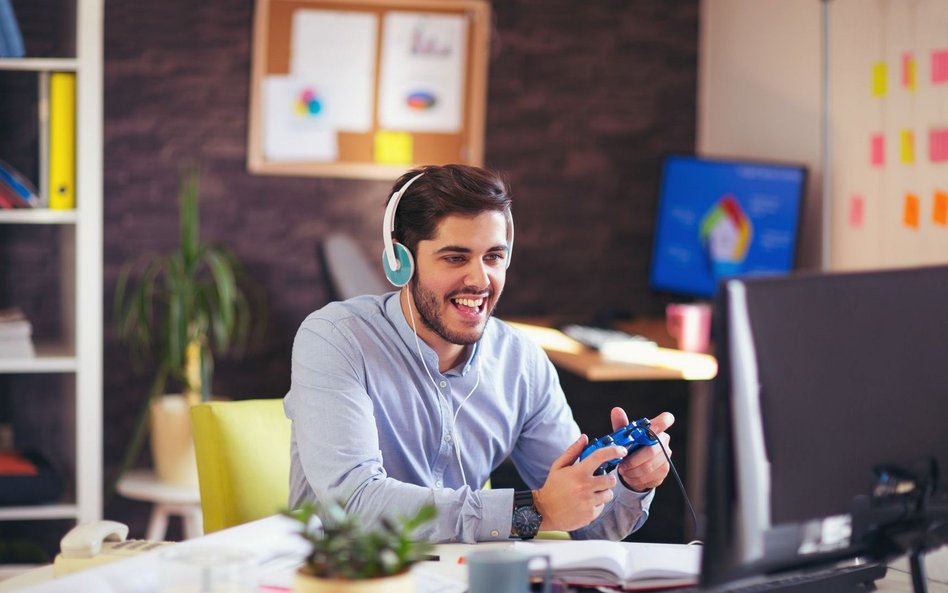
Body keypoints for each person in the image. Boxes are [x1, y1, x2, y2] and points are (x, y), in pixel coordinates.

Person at [285, 164, 674, 543]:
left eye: (493, 257)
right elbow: (354, 504)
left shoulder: (521, 363)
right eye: (455, 257)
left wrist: (626, 485)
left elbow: (590, 527)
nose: (479, 280)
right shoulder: (335, 338)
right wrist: (534, 509)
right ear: (401, 262)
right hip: (344, 577)